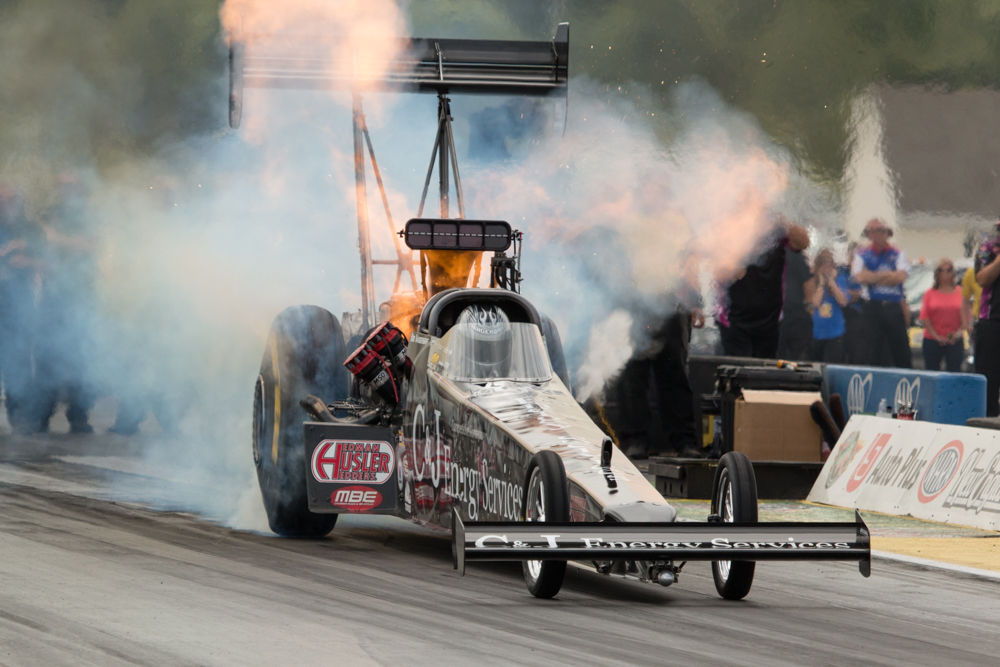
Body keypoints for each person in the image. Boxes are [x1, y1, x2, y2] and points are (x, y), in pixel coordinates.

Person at [717, 221, 810, 358]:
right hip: (735, 320)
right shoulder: (732, 226)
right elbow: (719, 273)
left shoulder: (777, 228)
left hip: (769, 321)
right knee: (738, 370)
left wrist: (789, 223)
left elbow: (802, 243)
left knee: (764, 372)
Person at [852, 218, 911, 368]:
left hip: (892, 306)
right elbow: (860, 277)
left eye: (881, 230)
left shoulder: (897, 253)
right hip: (873, 307)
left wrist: (874, 276)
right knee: (871, 351)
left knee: (901, 351)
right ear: (868, 234)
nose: (878, 234)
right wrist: (887, 275)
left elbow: (900, 277)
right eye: (873, 231)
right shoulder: (861, 254)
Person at [919, 258, 967, 373]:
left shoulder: (961, 292)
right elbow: (925, 317)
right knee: (932, 373)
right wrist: (937, 337)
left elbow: (966, 318)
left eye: (949, 270)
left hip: (955, 339)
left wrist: (955, 336)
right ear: (937, 274)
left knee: (954, 373)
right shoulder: (929, 293)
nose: (945, 273)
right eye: (941, 270)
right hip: (933, 339)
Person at [974, 220, 1000, 416]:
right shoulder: (987, 250)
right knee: (988, 377)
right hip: (992, 321)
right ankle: (988, 418)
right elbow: (982, 279)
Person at [805, 249, 848, 363]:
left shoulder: (840, 280)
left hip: (835, 333)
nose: (826, 267)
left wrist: (832, 283)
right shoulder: (812, 282)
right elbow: (813, 305)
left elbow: (843, 301)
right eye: (822, 263)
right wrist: (822, 284)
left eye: (829, 263)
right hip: (816, 333)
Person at [777, 244, 813, 360]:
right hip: (778, 312)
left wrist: (809, 306)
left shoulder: (793, 255)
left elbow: (807, 282)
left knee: (792, 352)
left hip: (793, 311)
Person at [841, 242, 866, 364]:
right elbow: (841, 295)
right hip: (842, 318)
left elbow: (864, 295)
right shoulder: (842, 272)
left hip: (859, 319)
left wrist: (850, 294)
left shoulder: (866, 274)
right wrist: (850, 294)